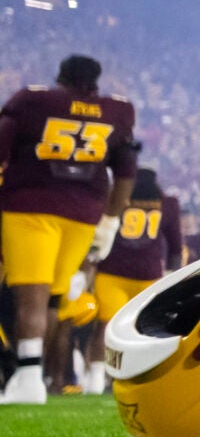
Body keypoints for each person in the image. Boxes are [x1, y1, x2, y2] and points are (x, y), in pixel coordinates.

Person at [0, 55, 140, 405]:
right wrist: (109, 222)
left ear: (61, 77)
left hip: (31, 207)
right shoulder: (117, 111)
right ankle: (30, 375)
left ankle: (29, 377)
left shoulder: (33, 101)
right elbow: (125, 172)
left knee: (30, 297)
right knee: (52, 299)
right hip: (84, 213)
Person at [86, 167, 183, 385]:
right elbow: (176, 245)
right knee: (141, 331)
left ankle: (96, 379)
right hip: (148, 276)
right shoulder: (168, 204)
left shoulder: (117, 199)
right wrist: (172, 275)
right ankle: (134, 379)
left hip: (113, 273)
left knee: (106, 327)